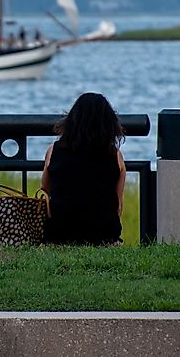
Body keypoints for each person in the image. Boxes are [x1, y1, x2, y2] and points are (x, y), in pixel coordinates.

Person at [40, 92, 126, 245]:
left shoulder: (54, 150)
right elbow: (117, 204)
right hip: (104, 235)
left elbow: (45, 188)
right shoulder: (115, 155)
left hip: (60, 235)